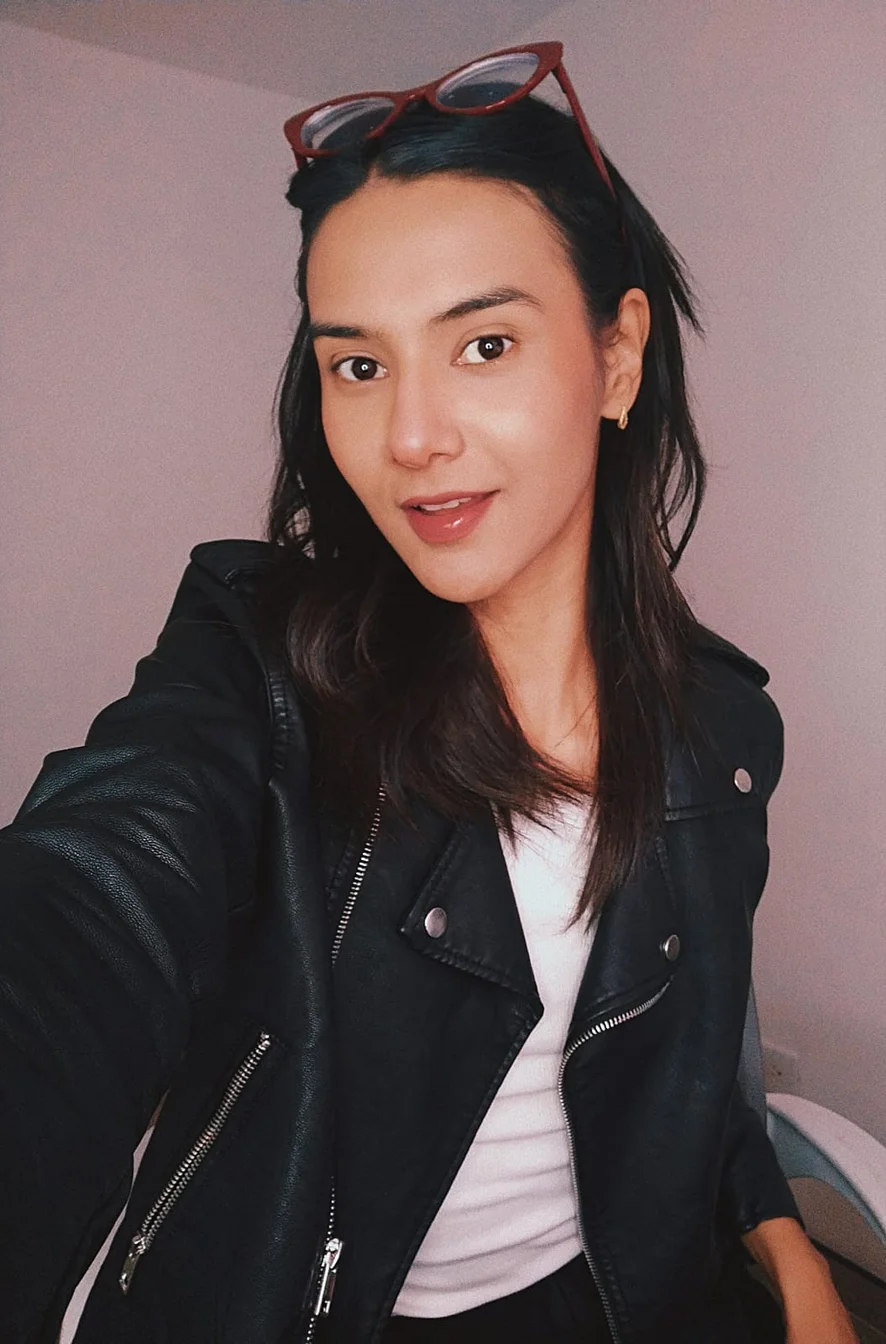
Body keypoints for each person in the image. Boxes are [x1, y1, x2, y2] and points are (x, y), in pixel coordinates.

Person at [0, 40, 858, 1344]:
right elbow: (90, 900)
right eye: (358, 364)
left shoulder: (723, 730)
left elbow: (693, 1068)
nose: (409, 437)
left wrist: (790, 1256)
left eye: (484, 343)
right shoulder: (258, 670)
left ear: (617, 356)